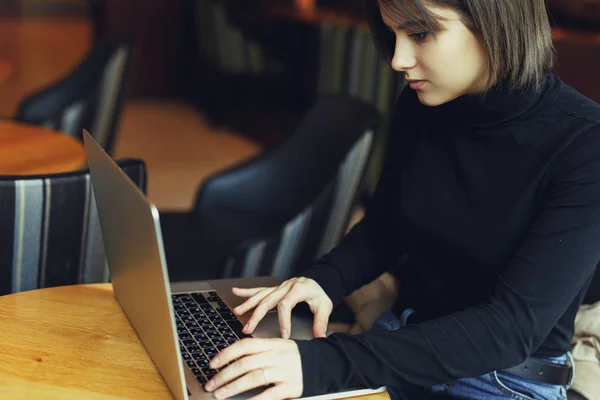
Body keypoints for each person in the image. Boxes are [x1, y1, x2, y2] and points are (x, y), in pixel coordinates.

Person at [201, 0, 600, 399]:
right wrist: (323, 280)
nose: (398, 59)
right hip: (398, 343)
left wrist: (323, 363)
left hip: (503, 379)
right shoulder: (423, 105)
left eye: (420, 34)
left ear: (495, 24)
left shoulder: (584, 144)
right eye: (393, 35)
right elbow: (386, 226)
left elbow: (509, 330)